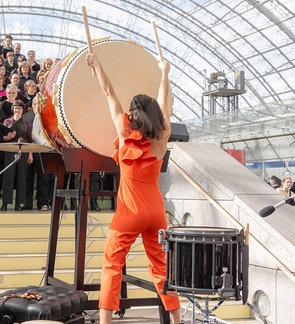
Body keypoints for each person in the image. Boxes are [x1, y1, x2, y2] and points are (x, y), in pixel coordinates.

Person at [86, 53, 181, 324]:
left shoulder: (124, 132)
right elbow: (164, 104)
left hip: (130, 211)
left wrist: (98, 66)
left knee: (112, 265)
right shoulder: (162, 135)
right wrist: (164, 73)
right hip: (156, 210)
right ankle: (177, 321)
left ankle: (105, 322)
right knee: (161, 267)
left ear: (133, 113)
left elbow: (109, 93)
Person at [0, 100, 32, 211]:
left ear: (23, 110)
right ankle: (5, 203)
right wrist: (7, 137)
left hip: (23, 151)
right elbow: (3, 136)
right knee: (8, 176)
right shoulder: (7, 121)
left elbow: (29, 139)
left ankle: (18, 203)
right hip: (10, 149)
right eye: (16, 108)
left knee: (21, 177)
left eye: (20, 108)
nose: (18, 110)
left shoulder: (26, 123)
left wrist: (30, 153)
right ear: (13, 109)